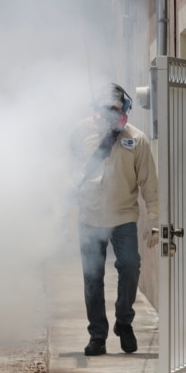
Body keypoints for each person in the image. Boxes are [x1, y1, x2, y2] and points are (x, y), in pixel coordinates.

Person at [69, 83, 159, 356]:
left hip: (123, 217)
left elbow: (150, 185)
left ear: (125, 110)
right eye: (105, 109)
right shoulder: (81, 132)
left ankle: (124, 321)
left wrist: (154, 221)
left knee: (130, 266)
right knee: (92, 278)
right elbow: (70, 169)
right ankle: (97, 335)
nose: (110, 114)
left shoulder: (137, 140)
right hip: (90, 216)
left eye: (116, 109)